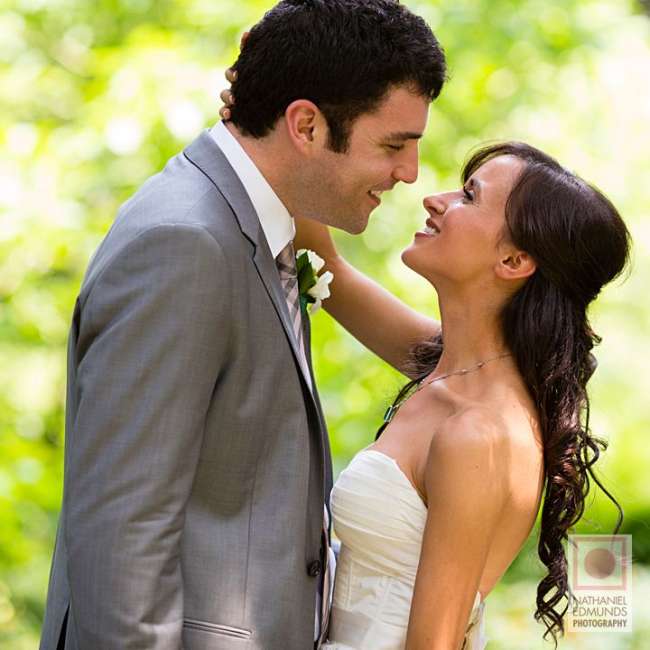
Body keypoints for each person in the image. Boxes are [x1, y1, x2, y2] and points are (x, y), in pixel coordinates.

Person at [39, 1, 446, 649]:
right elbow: (122, 532)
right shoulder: (185, 242)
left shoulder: (264, 221)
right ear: (306, 125)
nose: (409, 174)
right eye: (393, 145)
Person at [287, 143, 629, 648]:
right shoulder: (446, 367)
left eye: (469, 196)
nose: (434, 199)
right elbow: (323, 264)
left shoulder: (479, 432)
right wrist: (284, 126)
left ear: (513, 260)